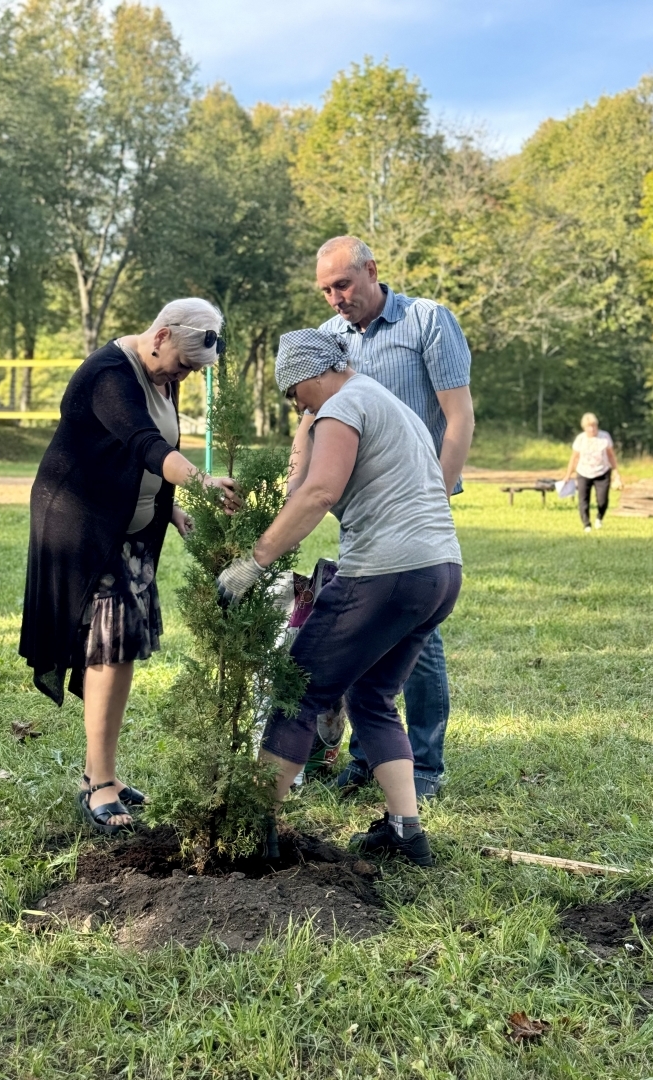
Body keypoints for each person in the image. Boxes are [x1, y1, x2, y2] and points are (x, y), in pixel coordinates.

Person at [216, 330, 463, 866]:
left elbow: (319, 493)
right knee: (373, 697)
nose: (296, 407)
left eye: (293, 394)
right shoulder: (384, 400)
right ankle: (406, 832)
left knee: (298, 689)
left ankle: (256, 835)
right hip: (441, 572)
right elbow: (306, 488)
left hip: (385, 574)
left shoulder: (342, 404)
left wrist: (250, 566)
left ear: (307, 375)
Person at [19, 299, 239, 834]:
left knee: (122, 651)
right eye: (183, 365)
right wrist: (202, 483)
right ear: (161, 335)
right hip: (83, 527)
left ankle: (103, 774)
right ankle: (97, 787)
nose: (183, 375)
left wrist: (172, 507)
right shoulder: (108, 374)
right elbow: (143, 442)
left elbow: (144, 455)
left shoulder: (165, 373)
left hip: (133, 528)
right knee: (109, 650)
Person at [289, 235, 474, 802]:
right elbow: (311, 419)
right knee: (365, 630)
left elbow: (459, 417)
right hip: (359, 507)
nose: (334, 299)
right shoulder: (328, 340)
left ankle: (424, 767)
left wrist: (434, 501)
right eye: (325, 290)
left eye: (342, 285)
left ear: (372, 271)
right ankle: (367, 760)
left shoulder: (426, 322)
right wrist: (291, 490)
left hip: (417, 508)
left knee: (418, 639)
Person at [561, 412, 621, 533]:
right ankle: (586, 524)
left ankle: (599, 517)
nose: (592, 429)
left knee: (602, 500)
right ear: (584, 427)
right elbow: (574, 458)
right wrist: (568, 475)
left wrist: (616, 472)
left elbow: (611, 455)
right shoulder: (580, 439)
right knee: (583, 499)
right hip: (583, 472)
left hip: (602, 472)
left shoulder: (604, 437)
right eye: (589, 426)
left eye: (594, 426)